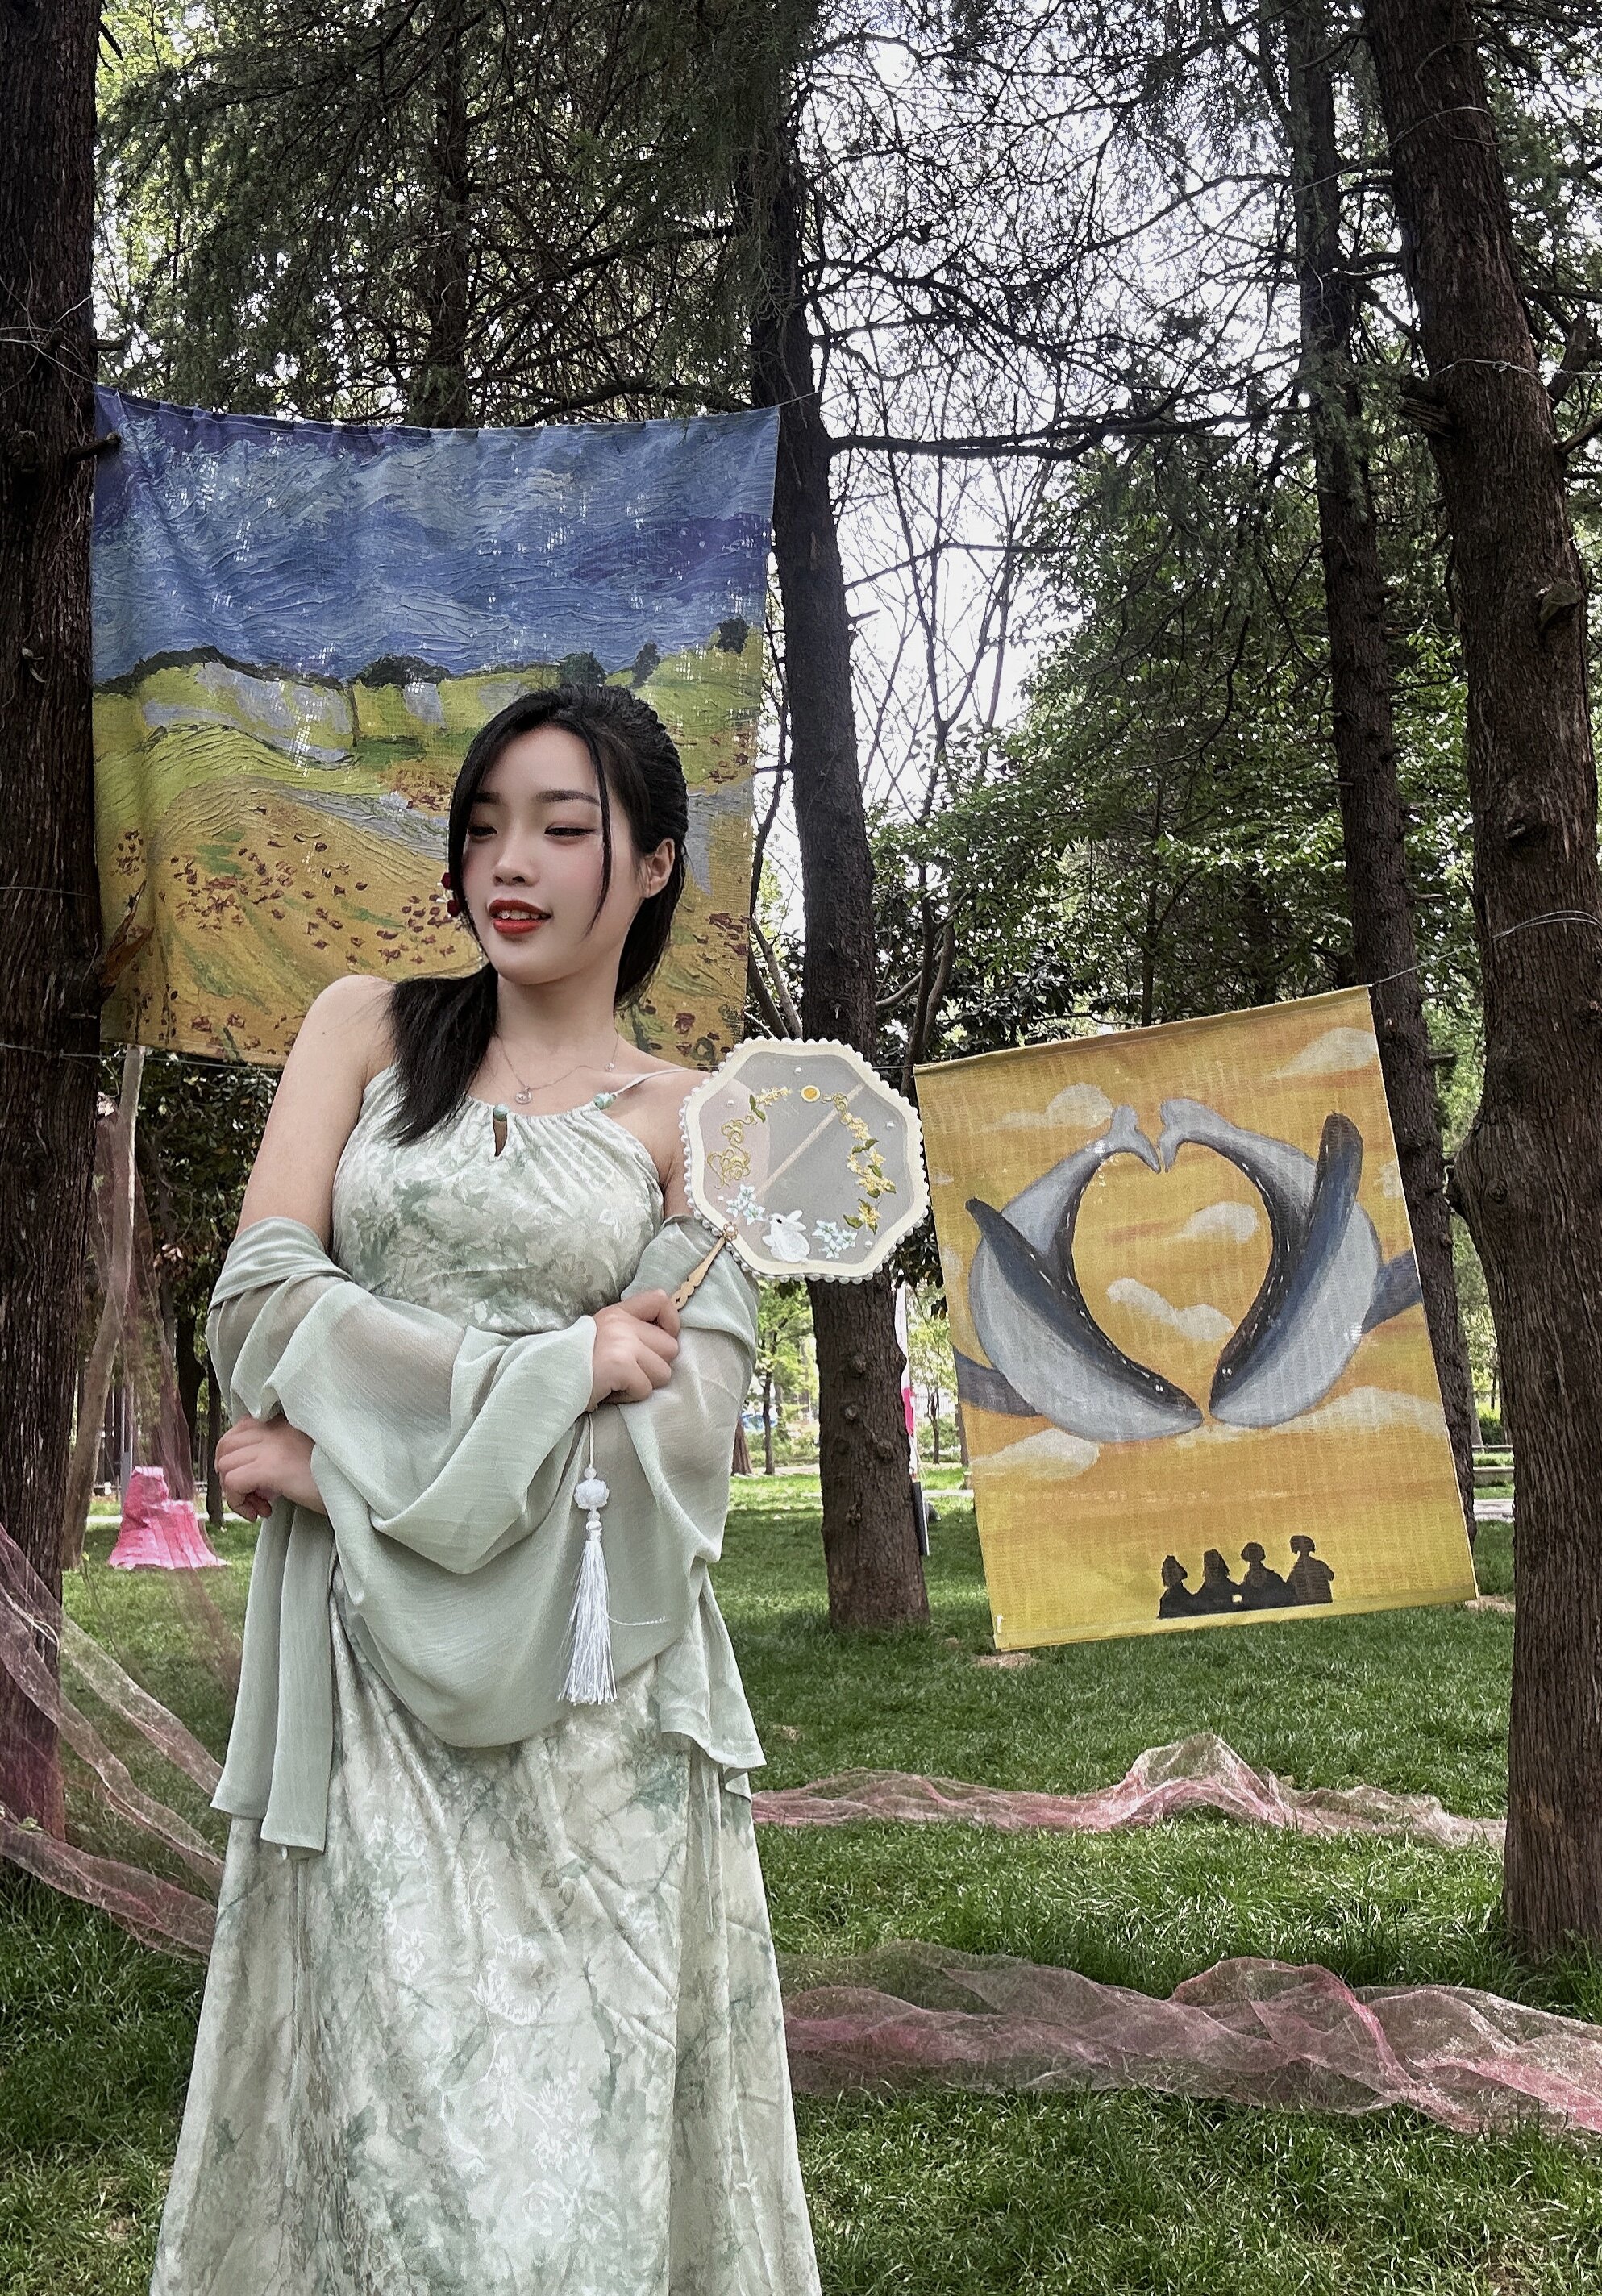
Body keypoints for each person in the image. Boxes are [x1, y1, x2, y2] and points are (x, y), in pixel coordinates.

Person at [149, 686, 821, 2295]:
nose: (508, 862)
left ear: (652, 864)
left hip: (598, 1703)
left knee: (572, 2188)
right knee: (395, 2158)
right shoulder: (365, 1029)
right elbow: (258, 1304)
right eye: (482, 825)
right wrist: (547, 1367)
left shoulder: (698, 1124)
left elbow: (677, 1444)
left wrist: (342, 1463)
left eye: (563, 827)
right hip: (368, 1687)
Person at [1238, 1541, 1289, 1611]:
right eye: (1251, 1552)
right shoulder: (1247, 1579)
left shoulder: (1272, 1577)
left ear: (1260, 1554)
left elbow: (1283, 1592)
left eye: (1255, 1552)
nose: (1253, 1555)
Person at [1287, 1533, 1336, 1605]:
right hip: (1321, 1602)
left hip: (1310, 1603)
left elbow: (1289, 1585)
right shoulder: (1318, 1564)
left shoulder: (1298, 1568)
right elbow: (1330, 1576)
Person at [1192, 1546, 1242, 1613]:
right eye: (1210, 1568)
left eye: (1216, 1568)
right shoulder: (1200, 1597)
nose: (1214, 1573)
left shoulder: (1232, 1588)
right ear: (1205, 1571)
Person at [1157, 1554, 1200, 1619]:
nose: (1170, 1573)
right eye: (1168, 1570)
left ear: (1180, 1574)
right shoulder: (1164, 1598)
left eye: (1173, 1570)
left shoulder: (1184, 1597)